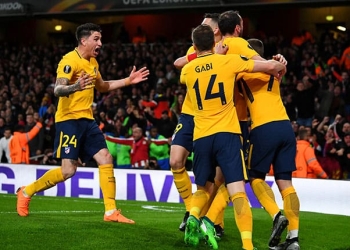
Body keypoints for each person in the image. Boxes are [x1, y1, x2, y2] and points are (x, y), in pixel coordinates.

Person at [16, 23, 149, 224]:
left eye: (101, 39)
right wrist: (75, 86)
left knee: (105, 158)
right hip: (68, 120)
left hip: (87, 120)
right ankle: (26, 191)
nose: (100, 43)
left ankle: (111, 211)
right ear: (83, 40)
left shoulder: (93, 63)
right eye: (96, 39)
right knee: (68, 170)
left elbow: (103, 86)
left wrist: (128, 81)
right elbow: (58, 90)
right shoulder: (69, 61)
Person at [181, 24, 286, 250]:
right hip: (227, 135)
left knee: (202, 189)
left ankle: (193, 215)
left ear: (194, 45)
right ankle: (247, 246)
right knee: (238, 192)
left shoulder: (187, 71)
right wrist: (279, 62)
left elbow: (191, 66)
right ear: (215, 42)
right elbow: (266, 66)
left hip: (201, 137)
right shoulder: (227, 62)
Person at [236, 38, 300, 250]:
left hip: (263, 128)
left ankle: (276, 215)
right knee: (286, 183)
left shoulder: (243, 71)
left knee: (255, 177)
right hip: (285, 127)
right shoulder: (275, 69)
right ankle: (293, 239)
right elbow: (280, 66)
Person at [171, 13, 223, 231]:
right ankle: (190, 208)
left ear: (216, 31)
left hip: (214, 118)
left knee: (213, 177)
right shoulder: (196, 49)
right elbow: (179, 63)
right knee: (175, 161)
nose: (200, 28)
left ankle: (213, 221)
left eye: (205, 26)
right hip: (189, 114)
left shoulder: (227, 48)